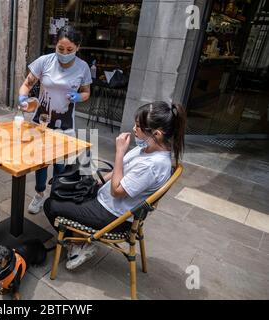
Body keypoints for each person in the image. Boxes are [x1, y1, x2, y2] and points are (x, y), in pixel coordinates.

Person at [44, 101, 187, 270]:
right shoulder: (148, 148)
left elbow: (117, 191)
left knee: (51, 204)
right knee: (63, 191)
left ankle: (80, 245)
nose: (134, 129)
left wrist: (119, 152)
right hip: (106, 200)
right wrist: (96, 183)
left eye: (139, 126)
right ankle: (78, 237)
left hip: (113, 215)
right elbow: (121, 171)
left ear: (156, 133)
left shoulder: (152, 165)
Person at [17, 26, 92, 214]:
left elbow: (86, 92)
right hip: (41, 120)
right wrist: (22, 97)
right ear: (55, 45)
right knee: (41, 162)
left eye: (69, 50)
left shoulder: (83, 67)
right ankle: (39, 194)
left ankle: (56, 196)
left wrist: (79, 97)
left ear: (78, 48)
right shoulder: (44, 62)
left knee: (60, 163)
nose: (64, 54)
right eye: (60, 49)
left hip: (65, 124)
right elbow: (27, 84)